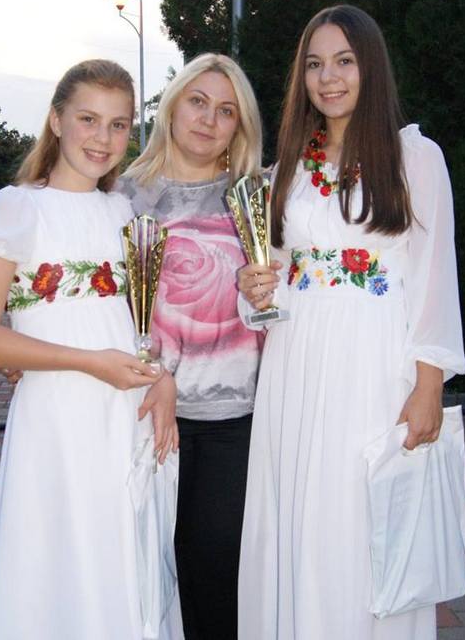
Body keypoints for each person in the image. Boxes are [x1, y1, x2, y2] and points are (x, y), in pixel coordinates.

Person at [236, 5, 465, 639]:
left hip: (373, 365)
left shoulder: (414, 157)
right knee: (298, 517)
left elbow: (434, 277)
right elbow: (271, 273)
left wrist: (429, 383)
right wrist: (252, 290)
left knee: (362, 524)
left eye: (344, 61)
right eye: (315, 64)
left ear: (371, 66)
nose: (328, 77)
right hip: (295, 362)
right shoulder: (285, 169)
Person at [0, 59, 181, 640]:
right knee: (61, 564)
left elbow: (134, 322)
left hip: (122, 414)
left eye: (118, 124)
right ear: (56, 120)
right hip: (57, 419)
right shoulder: (19, 206)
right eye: (88, 119)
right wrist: (89, 363)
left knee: (119, 563)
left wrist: (160, 377)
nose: (102, 138)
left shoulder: (122, 210)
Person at [119, 53, 264, 640]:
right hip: (146, 415)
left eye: (226, 111)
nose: (208, 119)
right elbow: (95, 298)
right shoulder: (124, 195)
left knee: (216, 572)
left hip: (235, 419)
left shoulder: (255, 197)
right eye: (198, 102)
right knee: (147, 574)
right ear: (172, 106)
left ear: (239, 126)